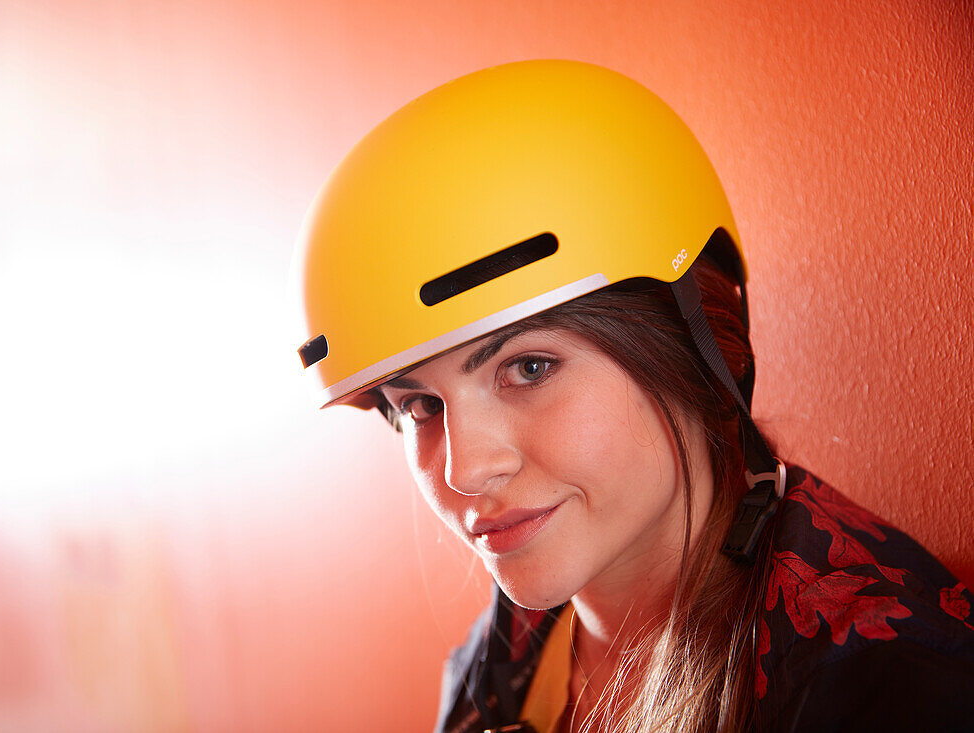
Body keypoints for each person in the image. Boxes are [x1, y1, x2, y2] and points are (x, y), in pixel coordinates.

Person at [292, 60, 974, 732]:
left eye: (528, 367)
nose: (464, 470)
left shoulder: (883, 683)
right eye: (419, 405)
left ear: (692, 346)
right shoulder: (503, 660)